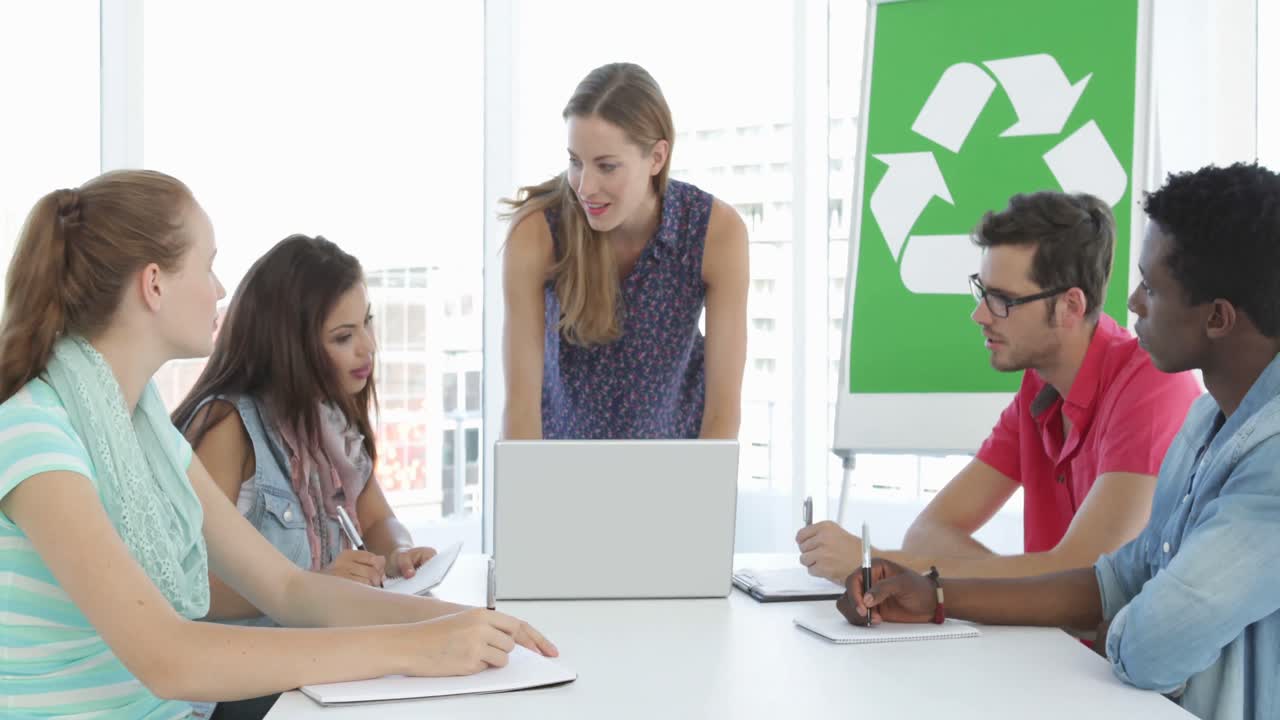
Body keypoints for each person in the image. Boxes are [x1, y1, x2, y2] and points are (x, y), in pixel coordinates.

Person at [0, 170, 555, 720]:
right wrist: (416, 647)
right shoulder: (34, 434)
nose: (220, 289)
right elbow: (168, 658)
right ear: (154, 284)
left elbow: (288, 589)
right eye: (208, 265)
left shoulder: (143, 431)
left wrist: (461, 623)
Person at [841, 163, 1280, 720]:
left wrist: (1114, 622)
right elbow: (1116, 578)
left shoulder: (1268, 458)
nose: (1134, 302)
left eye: (1152, 288)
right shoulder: (1206, 421)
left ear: (1217, 318)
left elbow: (1153, 646)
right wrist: (936, 595)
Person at [798, 191, 1202, 582]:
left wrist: (877, 565)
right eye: (983, 291)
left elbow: (1085, 577)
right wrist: (1020, 587)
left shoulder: (1153, 383)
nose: (980, 315)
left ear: (1070, 307)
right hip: (1052, 631)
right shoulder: (1040, 385)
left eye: (1003, 300)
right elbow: (927, 532)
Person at [172, 235, 437, 617]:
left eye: (367, 322)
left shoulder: (331, 420)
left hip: (322, 647)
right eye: (344, 336)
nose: (368, 347)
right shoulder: (227, 425)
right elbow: (188, 586)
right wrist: (312, 584)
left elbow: (378, 520)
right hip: (256, 652)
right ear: (289, 346)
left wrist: (399, 555)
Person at [501, 62, 748, 440]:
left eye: (607, 166)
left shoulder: (715, 232)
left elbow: (723, 413)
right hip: (561, 466)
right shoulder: (537, 233)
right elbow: (521, 408)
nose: (585, 187)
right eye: (576, 162)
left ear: (657, 157)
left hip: (677, 466)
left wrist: (704, 480)